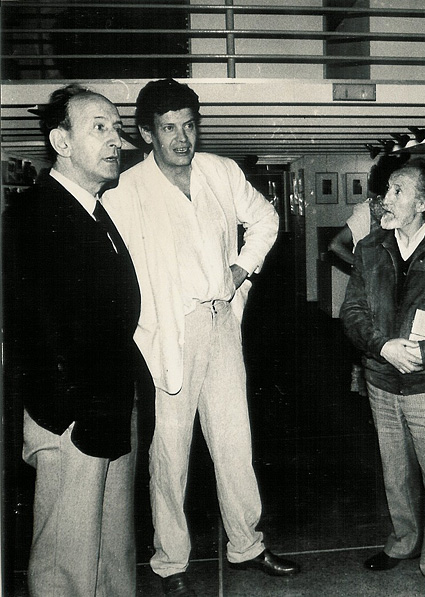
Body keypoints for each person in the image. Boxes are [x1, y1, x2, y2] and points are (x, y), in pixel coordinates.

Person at [102, 78, 297, 597]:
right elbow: (111, 267)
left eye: (189, 126)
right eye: (169, 129)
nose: (182, 138)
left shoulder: (220, 171)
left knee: (234, 439)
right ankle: (170, 562)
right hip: (170, 330)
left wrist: (241, 269)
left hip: (222, 319)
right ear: (147, 134)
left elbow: (266, 219)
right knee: (171, 450)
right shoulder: (125, 190)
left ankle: (247, 544)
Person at [3, 85, 141, 596]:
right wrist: (66, 416)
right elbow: (31, 327)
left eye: (117, 128)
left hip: (107, 407)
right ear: (61, 142)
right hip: (71, 418)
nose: (115, 140)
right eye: (99, 127)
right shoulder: (33, 215)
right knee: (67, 558)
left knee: (108, 552)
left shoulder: (93, 211)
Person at [340, 158, 425, 597]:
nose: (386, 199)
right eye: (387, 190)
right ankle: (403, 541)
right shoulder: (370, 247)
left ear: (422, 203)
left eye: (397, 191)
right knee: (394, 473)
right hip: (381, 379)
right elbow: (352, 311)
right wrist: (382, 347)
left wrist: (424, 353)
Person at [328, 154, 407, 396]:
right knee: (371, 332)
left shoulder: (407, 211)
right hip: (376, 287)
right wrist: (363, 266)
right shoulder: (366, 210)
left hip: (397, 285)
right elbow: (335, 244)